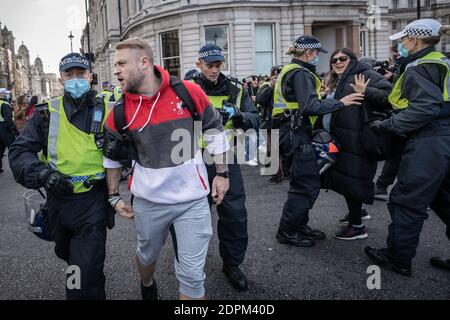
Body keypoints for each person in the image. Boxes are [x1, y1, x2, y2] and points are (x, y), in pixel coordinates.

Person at [103, 38, 230, 300]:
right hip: (148, 203)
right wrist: (114, 195)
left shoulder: (188, 92)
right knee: (147, 256)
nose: (116, 70)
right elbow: (111, 159)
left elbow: (215, 130)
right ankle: (147, 284)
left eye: (122, 63)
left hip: (193, 201)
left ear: (144, 62)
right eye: (116, 64)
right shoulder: (118, 113)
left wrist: (222, 173)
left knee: (193, 277)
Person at [9, 53, 115, 299]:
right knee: (72, 258)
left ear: (91, 77)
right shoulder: (47, 114)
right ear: (61, 79)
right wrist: (44, 175)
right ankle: (84, 279)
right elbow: (19, 152)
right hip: (59, 202)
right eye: (70, 75)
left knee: (84, 270)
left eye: (81, 74)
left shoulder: (109, 108)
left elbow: (134, 143)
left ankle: (84, 288)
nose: (76, 79)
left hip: (93, 202)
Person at [365, 19, 450, 276]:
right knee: (444, 198)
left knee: (407, 200)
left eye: (403, 39)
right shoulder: (441, 61)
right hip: (444, 136)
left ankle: (398, 257)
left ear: (414, 40)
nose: (401, 43)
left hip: (429, 140)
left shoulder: (419, 67)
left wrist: (388, 125)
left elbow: (424, 109)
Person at [272, 35, 364, 247]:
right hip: (296, 133)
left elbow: (299, 103)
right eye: (316, 54)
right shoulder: (300, 73)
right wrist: (341, 102)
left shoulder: (291, 70)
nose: (317, 58)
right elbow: (309, 108)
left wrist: (319, 97)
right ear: (308, 53)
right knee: (305, 184)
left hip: (291, 131)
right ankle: (287, 230)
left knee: (305, 182)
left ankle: (298, 225)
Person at [185, 43, 260, 291]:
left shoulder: (236, 89)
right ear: (199, 65)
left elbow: (255, 119)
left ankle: (232, 264)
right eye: (210, 66)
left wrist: (238, 115)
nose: (215, 70)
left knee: (234, 215)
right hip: (192, 159)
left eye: (218, 65)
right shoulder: (188, 89)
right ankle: (189, 266)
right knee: (191, 217)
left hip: (225, 159)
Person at [319, 48, 392, 240]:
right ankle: (358, 213)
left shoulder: (365, 75)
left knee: (354, 178)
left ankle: (357, 227)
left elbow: (389, 97)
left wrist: (366, 91)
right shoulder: (335, 80)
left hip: (357, 139)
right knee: (346, 179)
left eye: (343, 59)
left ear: (352, 60)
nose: (338, 62)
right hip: (340, 138)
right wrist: (324, 95)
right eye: (334, 60)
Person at [0, 88, 19, 173]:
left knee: (0, 149)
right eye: (5, 94)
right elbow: (8, 120)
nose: (7, 95)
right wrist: (15, 131)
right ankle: (17, 168)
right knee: (13, 149)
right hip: (5, 129)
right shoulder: (5, 104)